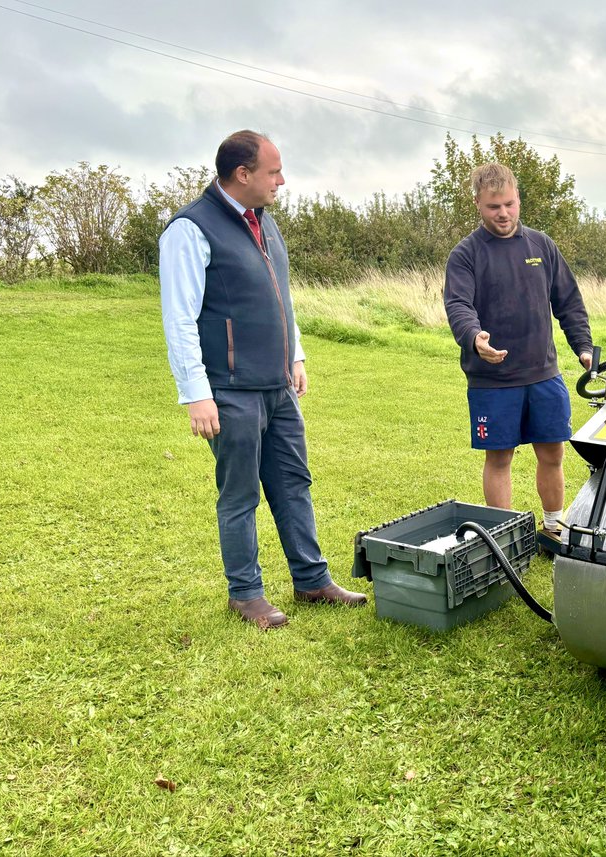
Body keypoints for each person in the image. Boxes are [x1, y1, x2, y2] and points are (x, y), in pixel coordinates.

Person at [159, 130, 365, 630]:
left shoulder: (265, 224)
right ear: (242, 174)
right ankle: (245, 594)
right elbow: (179, 317)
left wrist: (295, 357)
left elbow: (281, 298)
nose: (282, 179)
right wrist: (197, 394)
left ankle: (312, 580)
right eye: (273, 171)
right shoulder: (190, 229)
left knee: (293, 483)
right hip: (229, 392)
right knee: (240, 495)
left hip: (278, 387)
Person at [443, 163, 593, 537]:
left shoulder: (541, 245)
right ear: (477, 203)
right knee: (499, 459)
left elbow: (568, 301)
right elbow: (458, 305)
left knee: (553, 453)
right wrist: (475, 337)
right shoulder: (466, 254)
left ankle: (554, 528)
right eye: (494, 207)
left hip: (543, 373)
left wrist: (583, 345)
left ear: (518, 199)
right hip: (492, 380)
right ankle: (504, 539)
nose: (504, 213)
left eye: (510, 204)